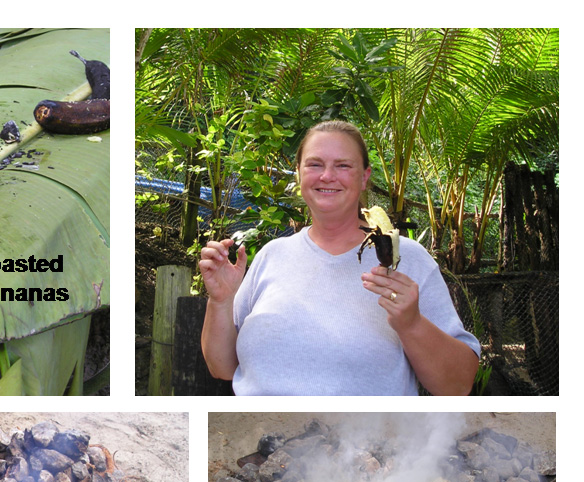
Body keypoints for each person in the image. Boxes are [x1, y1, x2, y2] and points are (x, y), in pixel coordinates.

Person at [199, 120, 480, 395]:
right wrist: (221, 300)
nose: (327, 176)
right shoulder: (272, 256)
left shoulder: (407, 258)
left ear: (365, 177)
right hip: (262, 431)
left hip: (358, 438)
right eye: (315, 164)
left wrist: (412, 323)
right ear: (299, 173)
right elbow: (221, 367)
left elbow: (457, 386)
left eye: (343, 165)